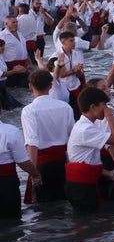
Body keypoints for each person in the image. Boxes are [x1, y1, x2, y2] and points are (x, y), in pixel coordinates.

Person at [65, 86, 114, 215]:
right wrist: (110, 117)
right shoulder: (86, 129)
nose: (106, 109)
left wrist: (109, 173)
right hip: (81, 186)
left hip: (82, 182)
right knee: (87, 222)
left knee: (91, 224)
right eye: (104, 105)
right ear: (93, 107)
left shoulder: (85, 125)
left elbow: (86, 160)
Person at [21, 69, 74, 203]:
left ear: (30, 86)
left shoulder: (29, 110)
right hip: (63, 163)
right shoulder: (65, 107)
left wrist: (34, 174)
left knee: (43, 208)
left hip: (42, 164)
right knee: (64, 202)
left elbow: (32, 144)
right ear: (51, 86)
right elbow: (72, 139)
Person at [0, 115, 42, 219]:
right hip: (5, 185)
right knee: (11, 223)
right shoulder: (10, 131)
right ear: (1, 111)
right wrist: (35, 174)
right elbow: (22, 161)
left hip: (6, 183)